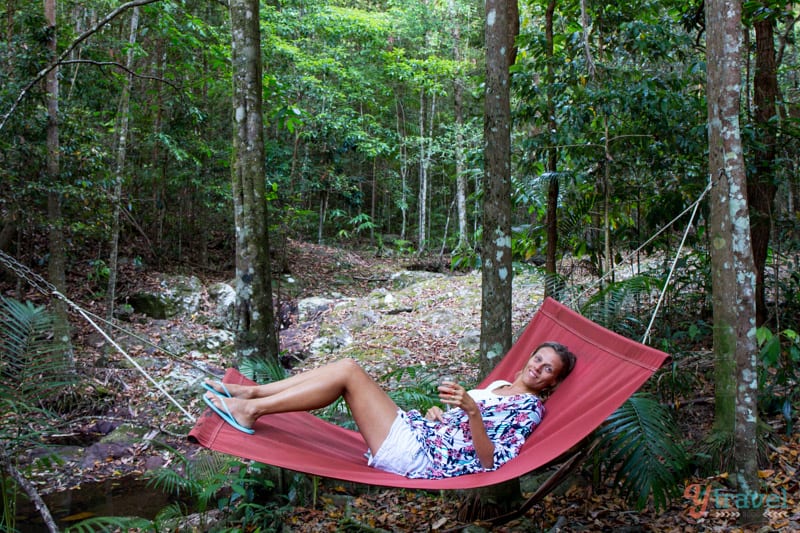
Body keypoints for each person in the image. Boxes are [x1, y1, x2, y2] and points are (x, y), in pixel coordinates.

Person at [202, 341, 576, 479]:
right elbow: (458, 425)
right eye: (538, 358)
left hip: (420, 457)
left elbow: (490, 460)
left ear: (552, 384)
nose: (538, 368)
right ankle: (250, 396)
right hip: (424, 433)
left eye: (548, 370)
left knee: (348, 373)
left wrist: (472, 413)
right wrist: (442, 415)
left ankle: (252, 409)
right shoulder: (499, 388)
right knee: (345, 366)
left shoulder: (527, 409)